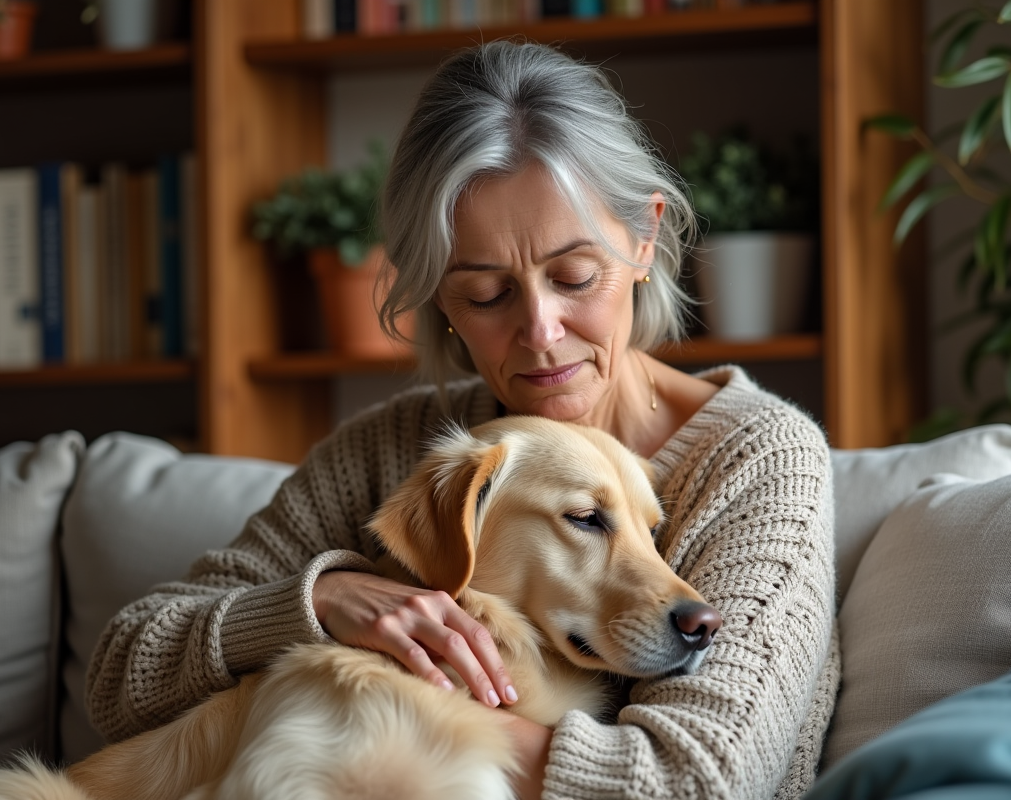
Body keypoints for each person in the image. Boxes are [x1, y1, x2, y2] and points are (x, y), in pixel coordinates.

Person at [86, 40, 837, 800]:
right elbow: (122, 677)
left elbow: (699, 782)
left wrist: (402, 710)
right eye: (485, 293)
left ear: (644, 241)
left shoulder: (758, 459)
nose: (541, 329)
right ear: (437, 298)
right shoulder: (393, 450)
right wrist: (322, 599)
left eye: (575, 276)